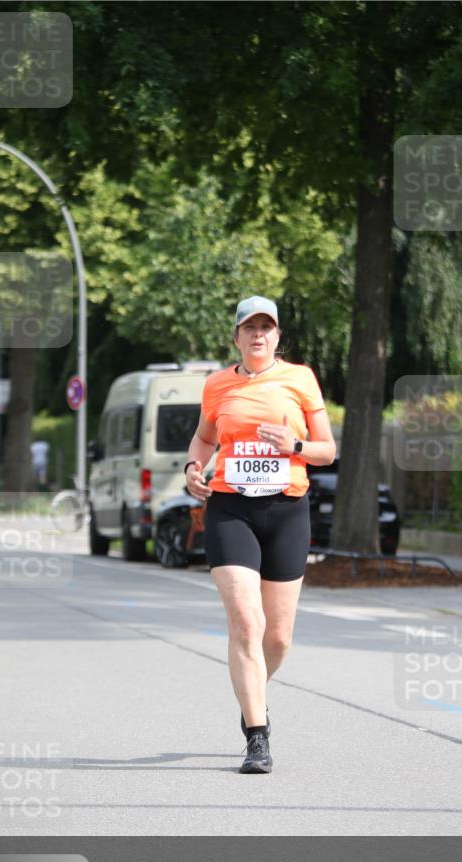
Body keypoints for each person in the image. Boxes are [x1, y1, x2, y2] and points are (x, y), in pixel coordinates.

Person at [185, 295, 336, 774]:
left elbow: (327, 450)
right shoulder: (216, 385)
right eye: (249, 327)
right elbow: (205, 438)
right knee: (247, 625)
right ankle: (257, 735)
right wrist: (193, 466)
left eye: (266, 328)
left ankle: (251, 691)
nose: (258, 335)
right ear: (236, 335)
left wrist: (293, 445)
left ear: (277, 336)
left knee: (279, 637)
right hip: (231, 508)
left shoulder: (300, 379)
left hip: (288, 509)